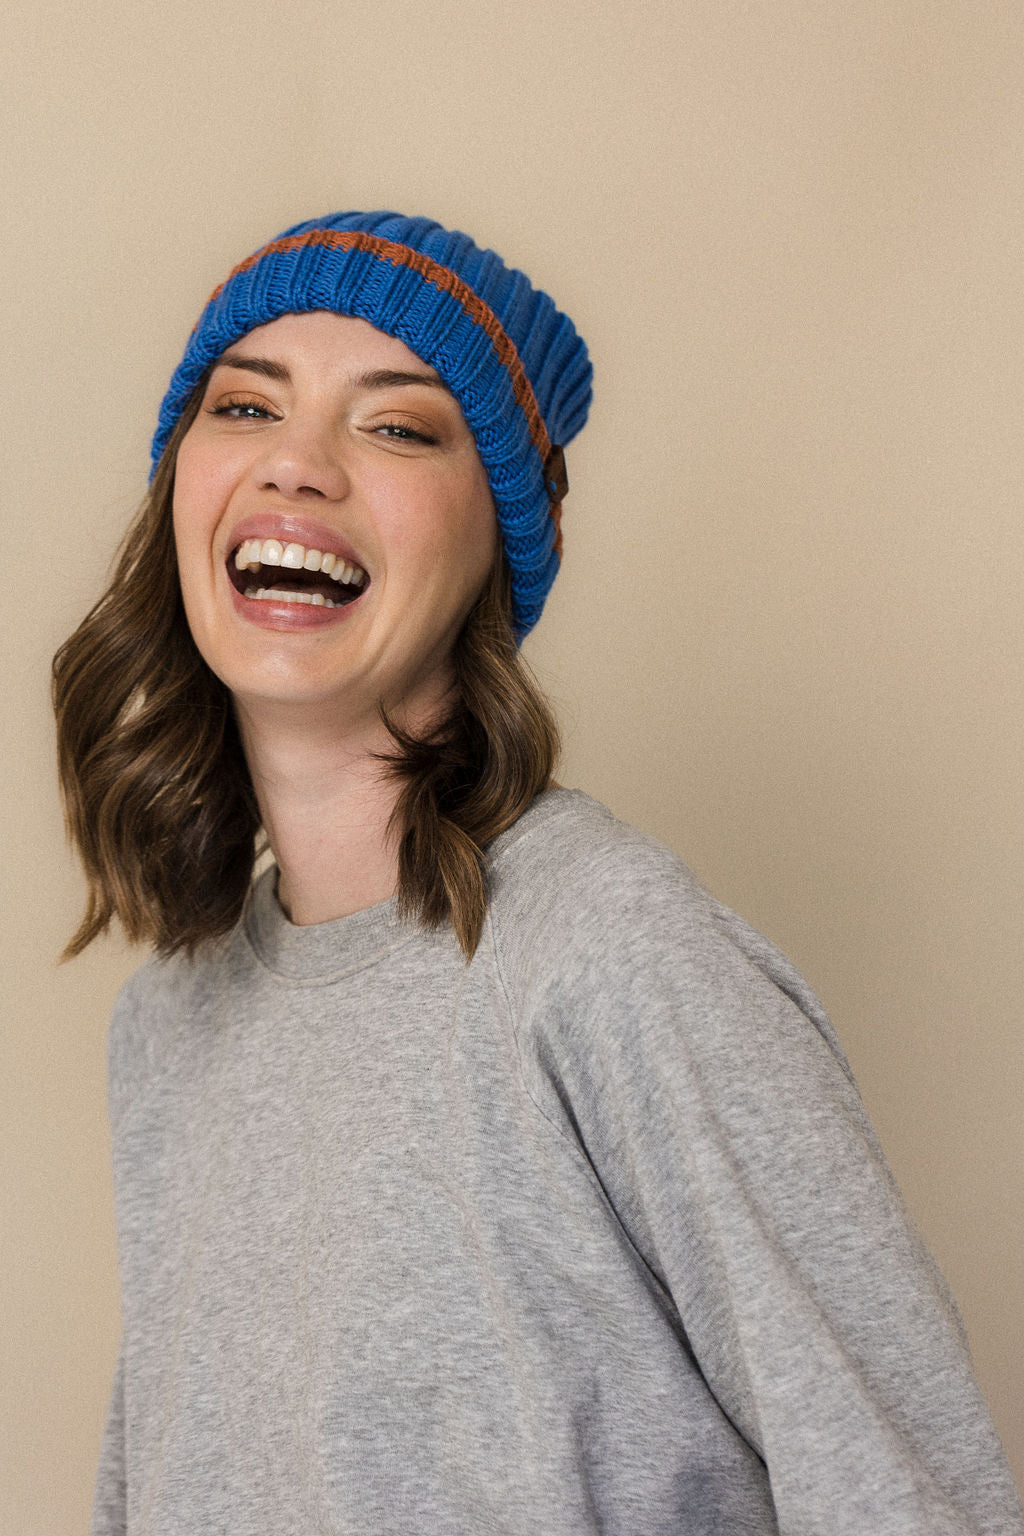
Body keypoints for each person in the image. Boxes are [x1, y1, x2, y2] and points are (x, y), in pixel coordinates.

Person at [53, 211, 1022, 1536]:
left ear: (500, 533)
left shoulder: (608, 952)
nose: (297, 465)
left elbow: (906, 1496)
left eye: (398, 425)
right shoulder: (169, 1028)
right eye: (242, 406)